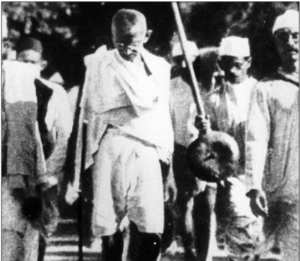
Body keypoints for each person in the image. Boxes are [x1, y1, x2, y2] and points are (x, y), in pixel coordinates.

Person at [66, 9, 174, 261]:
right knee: (108, 225)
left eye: (133, 42)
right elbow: (87, 114)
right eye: (119, 42)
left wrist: (169, 169)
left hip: (148, 150)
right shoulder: (99, 64)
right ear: (112, 36)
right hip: (111, 147)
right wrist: (80, 168)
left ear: (147, 36)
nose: (126, 49)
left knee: (151, 225)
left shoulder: (160, 68)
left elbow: (163, 121)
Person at [2, 37, 73, 261]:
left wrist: (49, 175)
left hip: (45, 176)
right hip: (11, 177)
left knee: (37, 236)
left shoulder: (55, 92)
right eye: (23, 61)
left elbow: (63, 137)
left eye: (32, 62)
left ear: (41, 64)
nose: (27, 67)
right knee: (10, 236)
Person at [194, 36, 261, 261]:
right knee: (239, 224)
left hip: (264, 173)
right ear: (220, 64)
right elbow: (207, 144)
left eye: (238, 63)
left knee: (259, 233)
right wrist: (204, 130)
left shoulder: (262, 93)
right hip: (233, 176)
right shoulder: (212, 100)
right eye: (227, 63)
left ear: (248, 62)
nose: (232, 69)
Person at [245, 9, 299, 260]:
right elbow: (256, 138)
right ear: (276, 43)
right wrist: (255, 185)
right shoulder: (265, 88)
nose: (290, 42)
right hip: (281, 189)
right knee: (278, 253)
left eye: (296, 36)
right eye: (283, 37)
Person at [169, 46, 219, 260]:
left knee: (206, 204)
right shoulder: (170, 88)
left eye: (187, 60)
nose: (183, 65)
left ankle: (204, 254)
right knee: (184, 203)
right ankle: (189, 249)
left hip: (208, 150)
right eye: (178, 60)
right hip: (181, 150)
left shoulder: (210, 88)